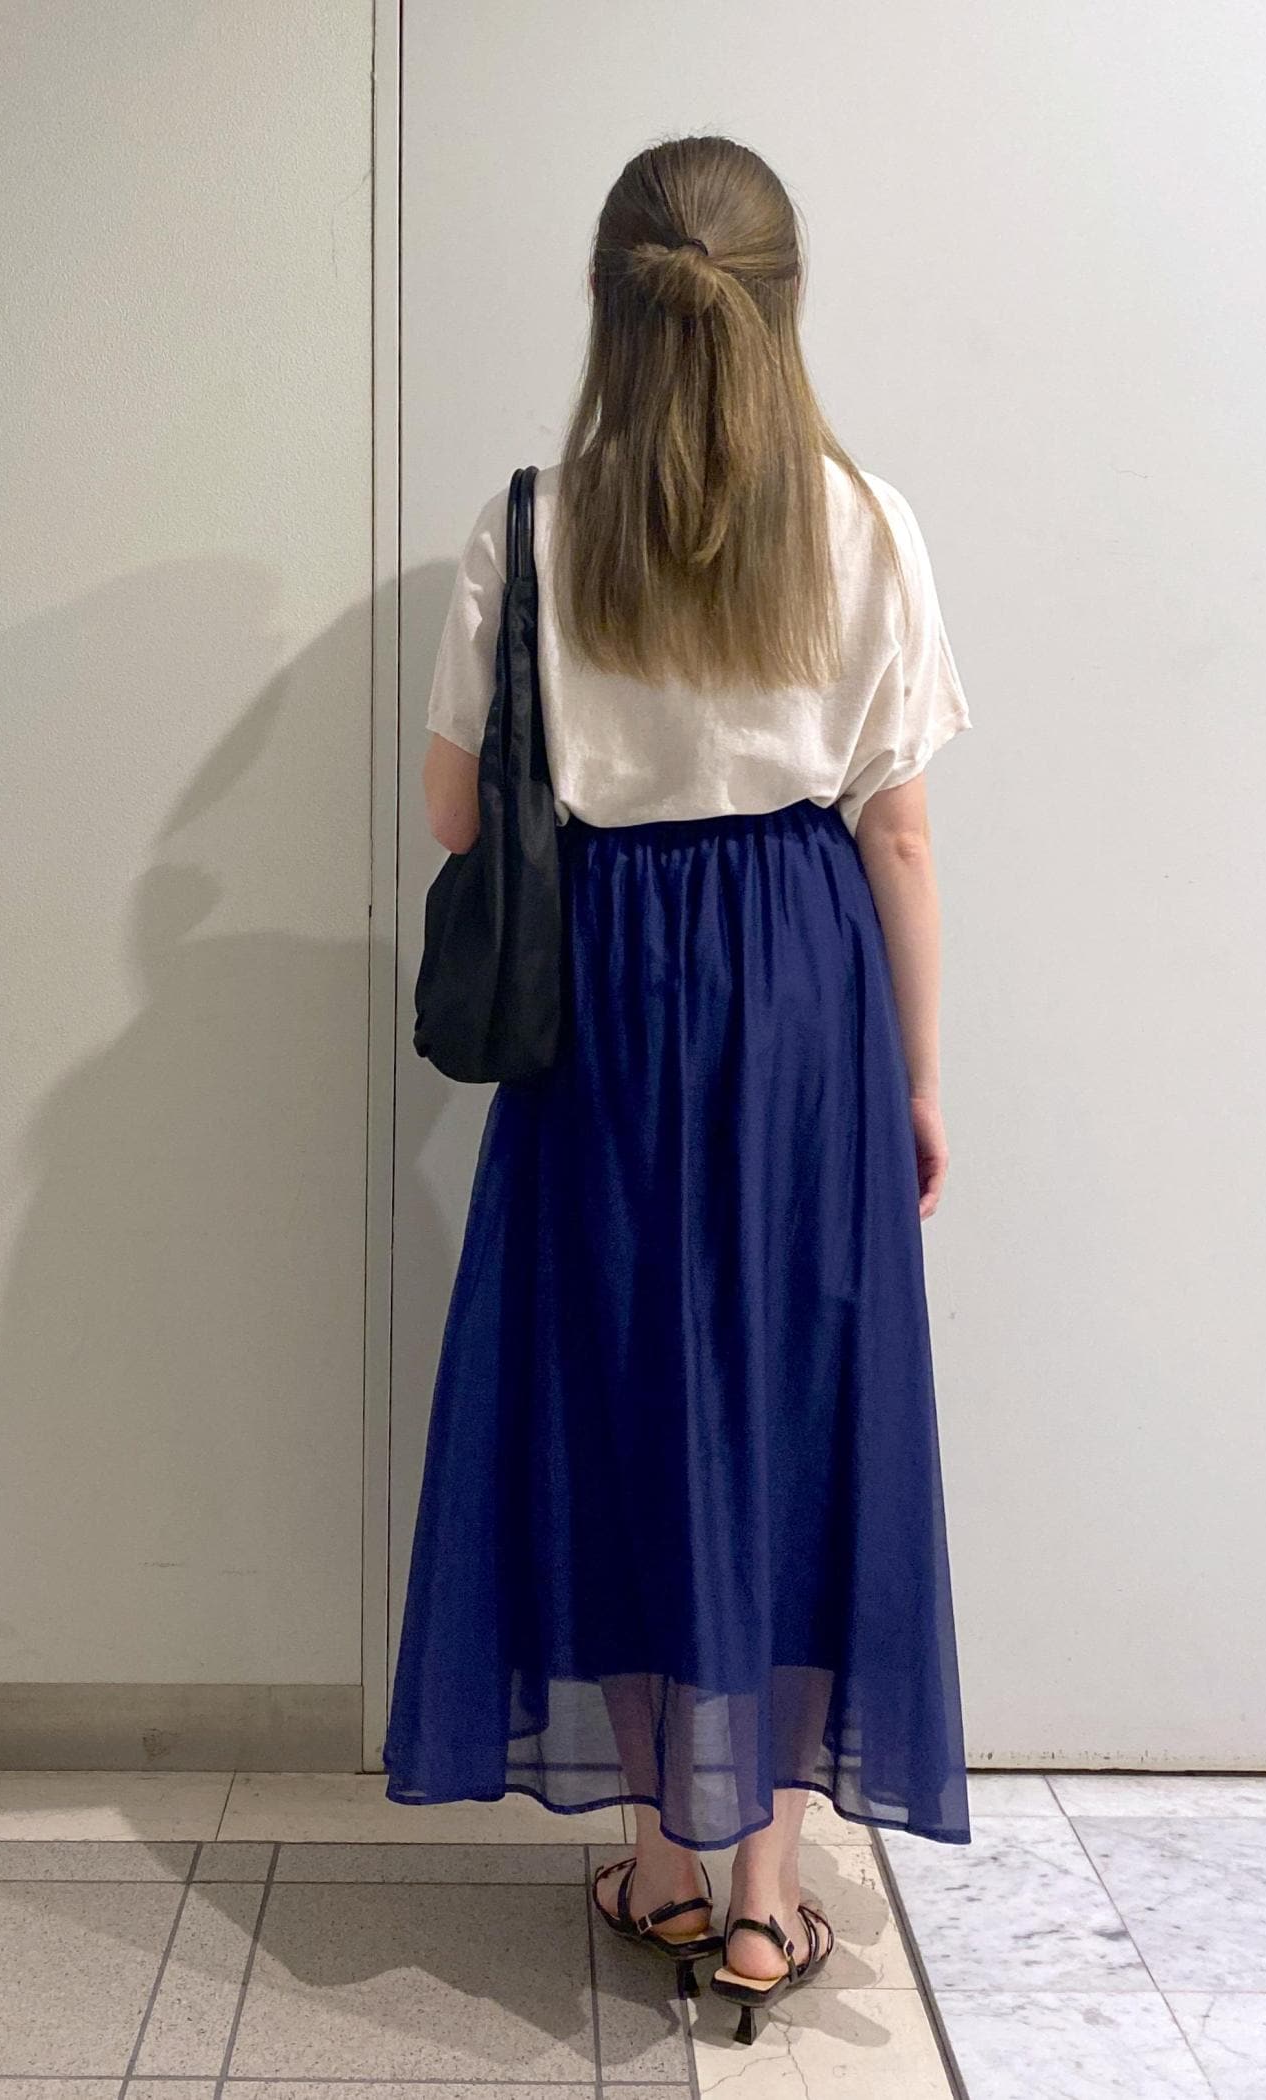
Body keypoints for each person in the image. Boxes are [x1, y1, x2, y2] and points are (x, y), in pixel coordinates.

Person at [382, 132, 972, 2041]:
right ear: (783, 305)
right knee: (793, 1401)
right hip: (803, 989)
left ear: (606, 305)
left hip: (611, 996)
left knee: (624, 1394)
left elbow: (461, 814)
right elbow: (897, 832)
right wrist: (918, 1080)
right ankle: (769, 1897)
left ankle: (656, 1857)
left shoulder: (532, 526)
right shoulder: (865, 522)